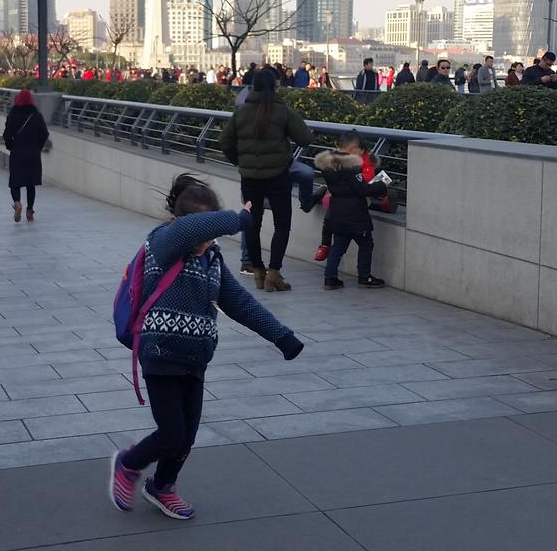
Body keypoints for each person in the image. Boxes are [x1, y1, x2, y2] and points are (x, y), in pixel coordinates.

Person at [108, 174, 303, 520]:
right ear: (185, 224)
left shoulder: (211, 259)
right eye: (203, 232)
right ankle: (128, 463)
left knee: (186, 436)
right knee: (171, 434)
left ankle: (162, 486)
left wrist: (281, 335)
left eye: (211, 235)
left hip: (195, 358)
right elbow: (191, 230)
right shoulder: (164, 243)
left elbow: (240, 303)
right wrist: (240, 218)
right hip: (161, 354)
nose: (205, 240)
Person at [220, 70, 314, 292]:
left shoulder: (241, 113)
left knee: (252, 225)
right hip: (278, 177)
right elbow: (304, 138)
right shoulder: (282, 111)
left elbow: (224, 141)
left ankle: (258, 272)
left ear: (253, 87)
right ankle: (274, 273)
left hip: (249, 179)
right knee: (282, 225)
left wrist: (239, 161)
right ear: (274, 87)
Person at [315, 131, 388, 290]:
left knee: (338, 246)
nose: (362, 153)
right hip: (355, 215)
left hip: (337, 212)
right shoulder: (352, 167)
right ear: (353, 149)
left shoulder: (329, 166)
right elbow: (361, 189)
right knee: (366, 244)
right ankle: (364, 277)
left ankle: (330, 278)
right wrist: (382, 185)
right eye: (360, 149)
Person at [3, 89, 50, 223]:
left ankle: (17, 203)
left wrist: (11, 146)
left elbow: (6, 135)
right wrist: (38, 147)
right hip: (33, 154)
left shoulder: (13, 114)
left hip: (17, 152)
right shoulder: (36, 115)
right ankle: (30, 210)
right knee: (31, 184)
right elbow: (45, 134)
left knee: (15, 182)